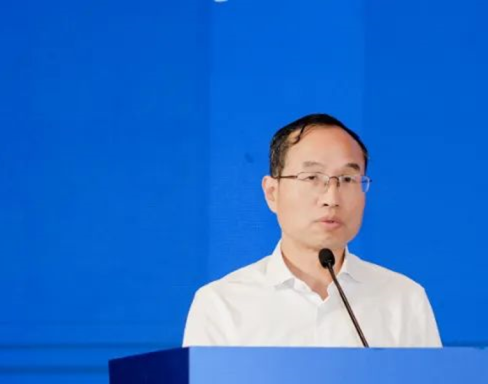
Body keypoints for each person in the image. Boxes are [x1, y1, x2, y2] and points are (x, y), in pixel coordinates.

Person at [182, 113, 441, 348]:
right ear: (272, 193)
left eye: (347, 179)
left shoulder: (403, 299)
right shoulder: (222, 305)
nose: (331, 198)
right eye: (312, 178)